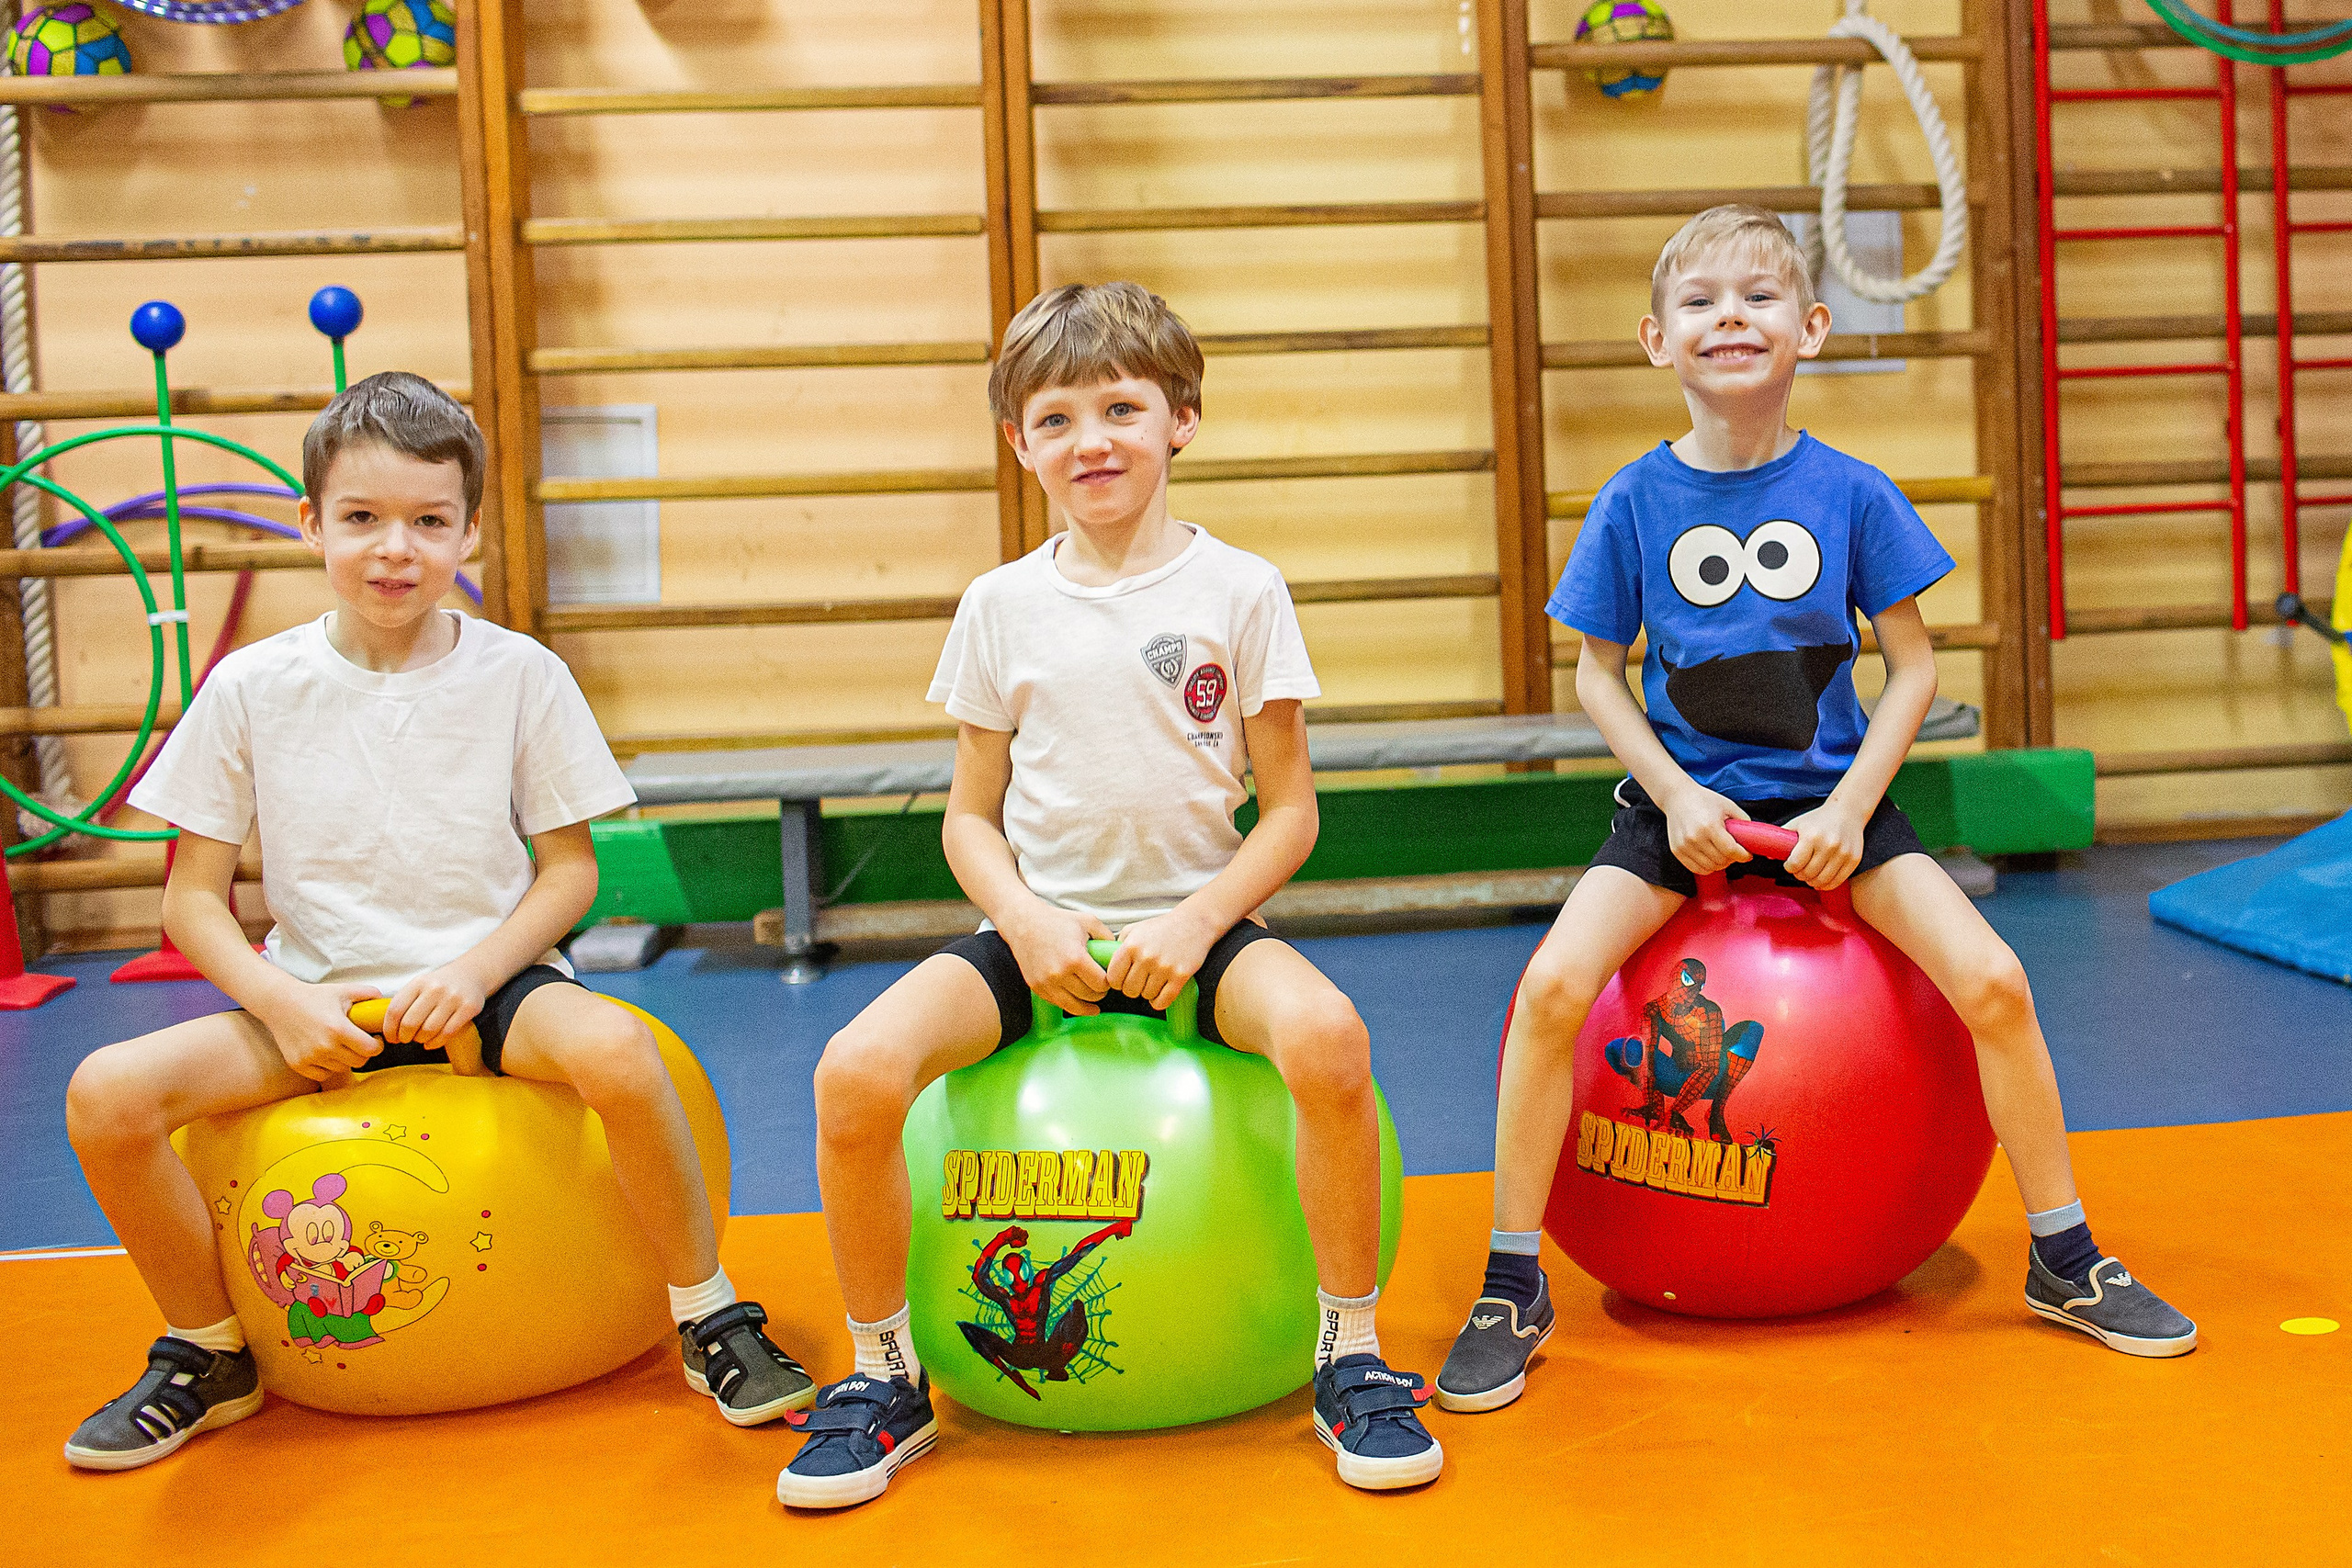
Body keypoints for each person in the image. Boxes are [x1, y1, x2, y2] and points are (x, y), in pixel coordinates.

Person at [1434, 206, 2198, 1416]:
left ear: (1813, 328)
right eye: (1700, 301)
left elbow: (1917, 667)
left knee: (1994, 979)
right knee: (1548, 991)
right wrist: (1678, 795)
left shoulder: (1854, 491)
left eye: (1758, 296)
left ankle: (2065, 1255)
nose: (1729, 317)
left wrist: (1852, 806)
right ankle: (1512, 1279)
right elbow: (1595, 669)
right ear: (1655, 339)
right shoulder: (1633, 501)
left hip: (1835, 811)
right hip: (1677, 819)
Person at [61, 373, 813, 1471]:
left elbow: (566, 876)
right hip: (312, 997)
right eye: (361, 519)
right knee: (105, 1096)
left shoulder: (520, 673)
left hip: (490, 981)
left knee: (615, 1048)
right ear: (310, 522)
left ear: (468, 529)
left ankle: (705, 1313)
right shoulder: (250, 686)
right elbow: (188, 898)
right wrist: (281, 1000)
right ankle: (205, 1348)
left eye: (427, 521)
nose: (393, 550)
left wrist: (471, 975)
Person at [779, 283, 1442, 1509]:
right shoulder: (999, 605)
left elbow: (1290, 809)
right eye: (1058, 415)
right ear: (1019, 441)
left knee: (1333, 1040)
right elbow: (968, 818)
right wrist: (1028, 924)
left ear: (1181, 418)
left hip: (1206, 922)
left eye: (1123, 406)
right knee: (854, 1071)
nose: (1095, 438)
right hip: (1035, 931)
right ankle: (884, 1372)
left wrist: (1195, 922)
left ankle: (1350, 1348)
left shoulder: (1242, 591)